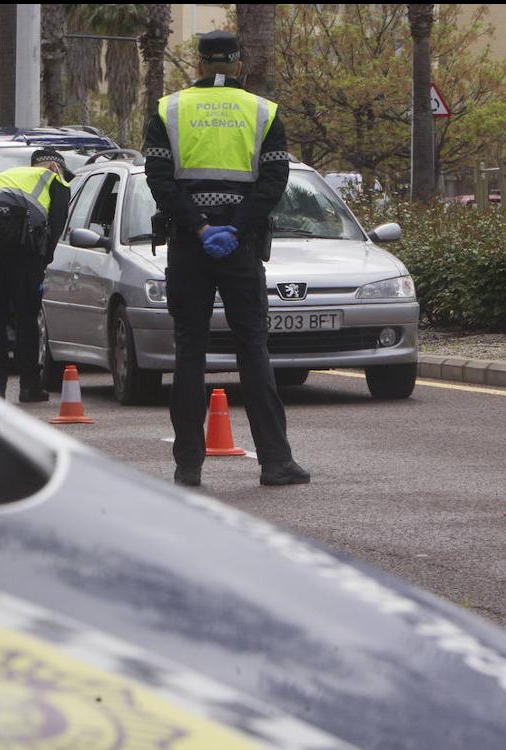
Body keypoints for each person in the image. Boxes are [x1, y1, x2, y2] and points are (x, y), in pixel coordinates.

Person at [142, 30, 309, 488]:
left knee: (189, 352)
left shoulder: (169, 109)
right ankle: (275, 462)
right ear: (238, 64)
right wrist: (235, 229)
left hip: (188, 245)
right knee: (253, 348)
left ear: (198, 64)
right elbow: (274, 181)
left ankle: (188, 466)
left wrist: (199, 227)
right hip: (241, 248)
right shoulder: (263, 111)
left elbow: (158, 178)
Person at [0, 149, 71, 403]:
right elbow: (55, 228)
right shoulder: (56, 181)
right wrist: (41, 264)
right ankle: (29, 386)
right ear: (56, 167)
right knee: (27, 315)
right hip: (19, 240)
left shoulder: (8, 174)